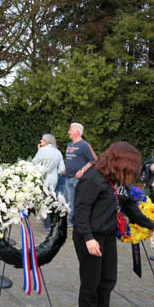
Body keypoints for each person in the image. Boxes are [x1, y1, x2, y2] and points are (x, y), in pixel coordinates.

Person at [73, 142, 154, 306]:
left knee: (108, 280)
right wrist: (88, 238)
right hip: (89, 236)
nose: (133, 170)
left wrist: (151, 225)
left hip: (108, 235)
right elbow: (81, 211)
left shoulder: (120, 181)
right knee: (91, 283)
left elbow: (130, 208)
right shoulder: (93, 178)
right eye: (131, 164)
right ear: (120, 161)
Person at [65, 123, 97, 228]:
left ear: (77, 132)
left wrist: (82, 170)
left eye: (70, 130)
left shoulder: (84, 145)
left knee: (78, 201)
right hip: (68, 177)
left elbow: (93, 160)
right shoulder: (69, 144)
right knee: (69, 201)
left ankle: (74, 221)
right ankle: (70, 220)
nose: (68, 132)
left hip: (77, 179)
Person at [32, 134, 65, 232]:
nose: (40, 142)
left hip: (43, 177)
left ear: (46, 142)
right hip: (53, 178)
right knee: (49, 199)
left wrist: (39, 150)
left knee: (43, 201)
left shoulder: (42, 150)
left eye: (41, 140)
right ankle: (48, 220)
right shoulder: (58, 152)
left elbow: (34, 162)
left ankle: (47, 225)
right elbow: (62, 169)